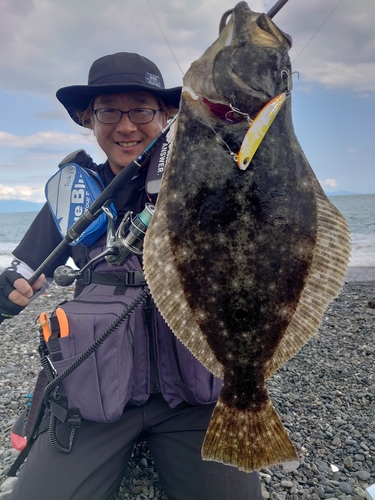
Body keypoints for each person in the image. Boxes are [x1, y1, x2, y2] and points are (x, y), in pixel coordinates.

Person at [0, 52, 262, 500]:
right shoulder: (71, 198)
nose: (126, 126)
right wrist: (7, 292)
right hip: (94, 394)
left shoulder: (207, 178)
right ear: (89, 118)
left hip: (194, 397)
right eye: (109, 110)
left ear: (167, 115)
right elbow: (20, 273)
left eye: (142, 109)